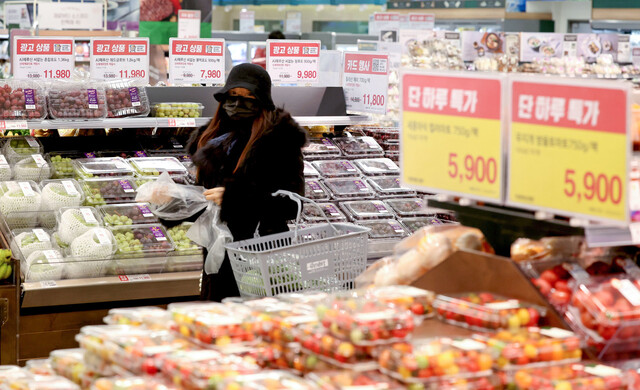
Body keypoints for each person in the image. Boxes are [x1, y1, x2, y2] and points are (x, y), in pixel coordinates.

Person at [187, 63, 308, 301]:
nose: (237, 104)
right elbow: (204, 200)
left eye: (248, 97)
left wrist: (235, 197)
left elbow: (293, 205)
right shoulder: (211, 139)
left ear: (262, 100)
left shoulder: (279, 142)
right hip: (218, 254)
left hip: (261, 258)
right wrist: (173, 201)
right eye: (232, 96)